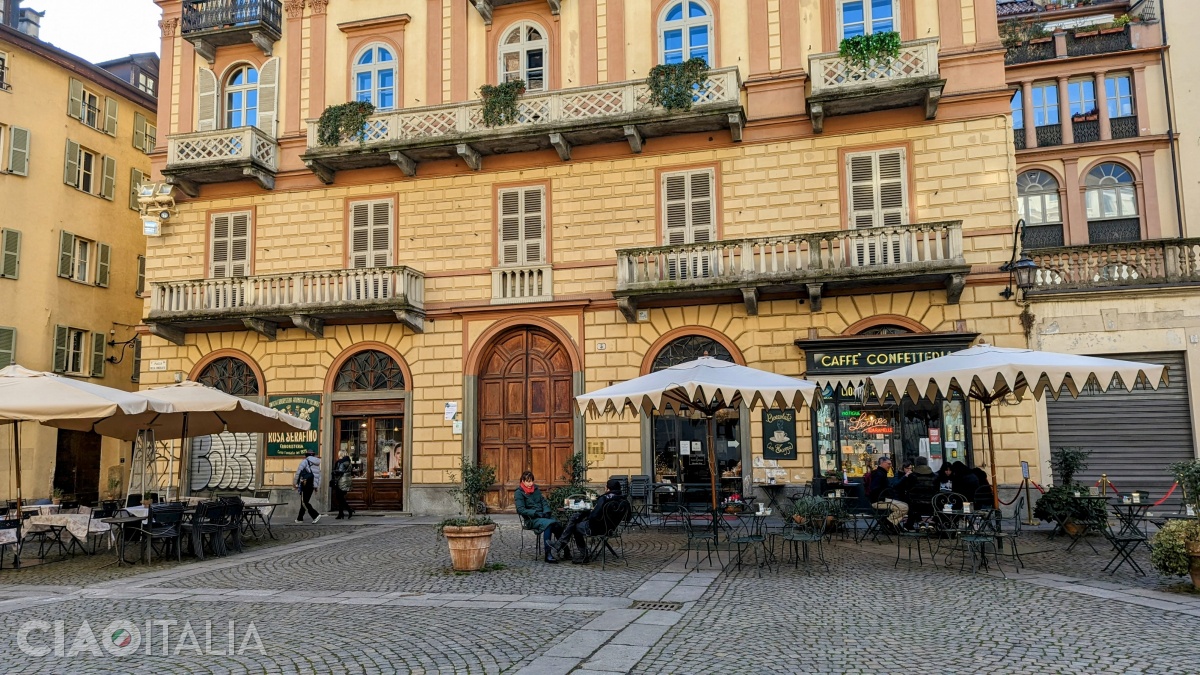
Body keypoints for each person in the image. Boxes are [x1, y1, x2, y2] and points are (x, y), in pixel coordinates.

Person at [554, 478, 626, 564]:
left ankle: (583, 555)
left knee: (575, 526)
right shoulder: (624, 500)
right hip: (612, 530)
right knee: (575, 518)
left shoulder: (604, 498)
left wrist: (587, 516)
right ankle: (561, 543)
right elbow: (627, 518)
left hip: (597, 529)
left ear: (608, 489)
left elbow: (594, 516)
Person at [514, 471, 565, 564]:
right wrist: (536, 513)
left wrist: (546, 511)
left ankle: (565, 549)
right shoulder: (519, 492)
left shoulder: (536, 489)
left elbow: (543, 501)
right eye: (528, 481)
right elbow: (520, 509)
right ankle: (548, 554)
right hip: (531, 519)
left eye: (531, 481)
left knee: (557, 524)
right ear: (523, 481)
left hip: (542, 516)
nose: (530, 483)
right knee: (548, 524)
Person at [897, 456, 938, 530]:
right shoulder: (935, 476)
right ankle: (933, 522)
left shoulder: (912, 476)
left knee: (910, 502)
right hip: (931, 504)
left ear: (916, 464)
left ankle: (911, 524)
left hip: (914, 504)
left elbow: (907, 488)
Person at [869, 456, 908, 528]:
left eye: (890, 464)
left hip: (881, 500)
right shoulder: (879, 474)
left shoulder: (881, 473)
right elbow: (875, 489)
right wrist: (886, 495)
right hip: (879, 501)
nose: (890, 466)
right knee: (904, 507)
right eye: (888, 464)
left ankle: (891, 524)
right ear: (882, 463)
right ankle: (888, 522)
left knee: (904, 506)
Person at [294, 449, 322, 524]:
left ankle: (315, 515)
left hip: (305, 484)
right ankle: (300, 518)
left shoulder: (305, 461)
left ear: (306, 455)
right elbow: (319, 476)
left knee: (304, 501)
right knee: (304, 501)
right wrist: (316, 486)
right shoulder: (317, 463)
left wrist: (295, 483)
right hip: (312, 485)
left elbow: (298, 473)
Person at [330, 450, 355, 520]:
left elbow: (340, 471)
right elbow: (351, 472)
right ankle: (341, 514)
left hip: (341, 481)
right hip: (347, 481)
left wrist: (333, 472)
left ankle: (349, 510)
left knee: (339, 497)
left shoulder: (340, 462)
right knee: (340, 497)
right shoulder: (349, 461)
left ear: (340, 454)